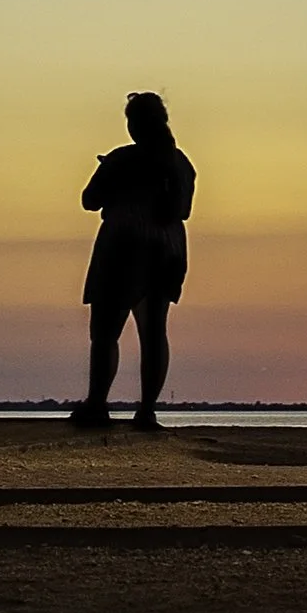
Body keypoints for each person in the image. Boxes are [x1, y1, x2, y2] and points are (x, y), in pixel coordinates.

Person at [70, 92, 196, 431]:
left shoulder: (121, 160)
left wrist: (112, 180)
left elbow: (89, 200)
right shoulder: (180, 164)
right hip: (167, 249)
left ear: (134, 125)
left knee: (105, 331)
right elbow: (182, 210)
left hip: (122, 245)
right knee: (154, 331)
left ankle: (97, 404)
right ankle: (147, 410)